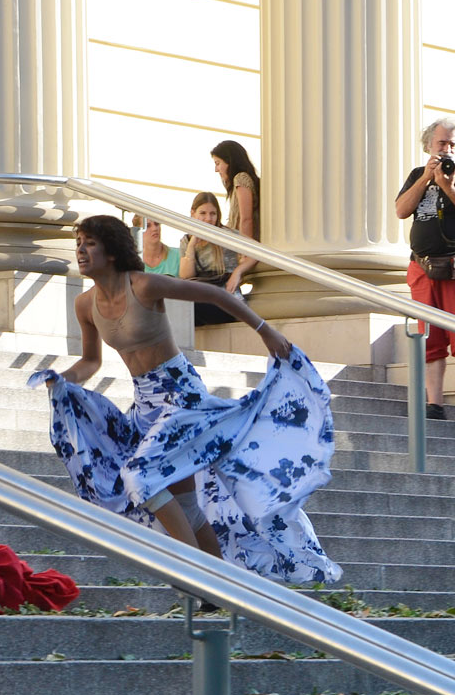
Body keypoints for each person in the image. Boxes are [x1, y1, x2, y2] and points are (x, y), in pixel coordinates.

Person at [28, 215, 341, 585]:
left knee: (139, 477)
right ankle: (221, 592)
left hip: (182, 396)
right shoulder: (85, 305)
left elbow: (218, 294)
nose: (80, 250)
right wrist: (60, 381)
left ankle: (195, 576)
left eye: (90, 243)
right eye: (78, 242)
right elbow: (91, 362)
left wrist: (265, 331)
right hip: (146, 404)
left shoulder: (143, 286)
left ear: (111, 251)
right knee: (189, 507)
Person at [395, 117, 455, 425]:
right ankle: (434, 404)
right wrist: (426, 178)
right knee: (429, 335)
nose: (446, 149)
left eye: (451, 144)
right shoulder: (416, 176)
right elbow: (401, 210)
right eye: (441, 143)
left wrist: (448, 187)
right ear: (428, 146)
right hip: (422, 265)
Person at [178, 191, 240, 326]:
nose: (208, 218)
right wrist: (192, 244)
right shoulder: (186, 240)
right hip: (202, 296)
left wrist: (237, 273)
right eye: (203, 213)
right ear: (193, 213)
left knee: (187, 307)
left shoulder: (227, 235)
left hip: (226, 299)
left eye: (213, 214)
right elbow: (186, 275)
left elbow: (255, 253)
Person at [210, 140, 261, 294]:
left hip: (245, 244)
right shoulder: (238, 181)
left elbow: (246, 218)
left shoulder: (240, 179)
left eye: (218, 163)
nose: (216, 169)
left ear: (229, 161)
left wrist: (244, 250)